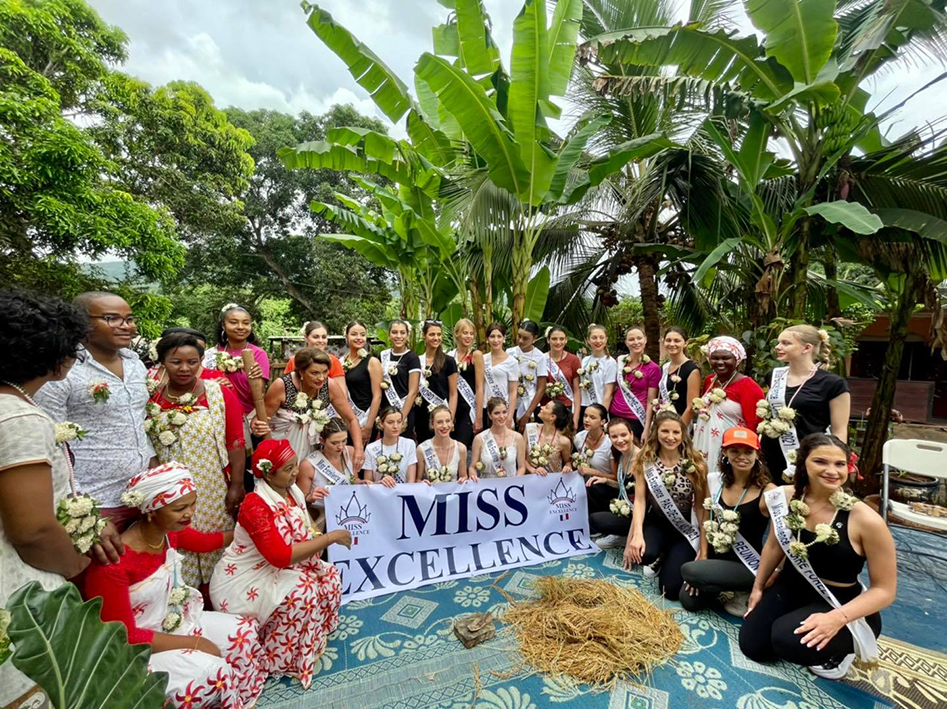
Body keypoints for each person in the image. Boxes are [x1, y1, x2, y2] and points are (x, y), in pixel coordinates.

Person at [0, 290, 116, 708]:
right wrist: (74, 565)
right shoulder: (19, 418)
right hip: (20, 594)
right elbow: (32, 530)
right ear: (59, 355)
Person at [84, 463, 267, 707]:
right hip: (140, 651)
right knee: (213, 671)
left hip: (177, 621)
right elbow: (125, 636)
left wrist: (249, 531)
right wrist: (196, 644)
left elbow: (205, 542)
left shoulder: (168, 533)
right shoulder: (113, 565)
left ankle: (241, 699)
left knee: (244, 632)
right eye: (179, 508)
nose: (189, 513)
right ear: (151, 510)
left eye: (192, 504)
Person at [740, 434, 895, 680]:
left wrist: (836, 619)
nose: (832, 471)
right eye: (821, 461)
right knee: (752, 646)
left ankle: (843, 650)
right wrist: (758, 588)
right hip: (791, 585)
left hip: (838, 600)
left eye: (839, 464)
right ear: (803, 463)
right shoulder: (786, 497)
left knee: (786, 640)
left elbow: (885, 590)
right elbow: (773, 546)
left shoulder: (866, 520)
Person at [210, 439, 349, 690]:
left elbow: (304, 527)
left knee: (328, 575)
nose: (296, 472)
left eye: (295, 465)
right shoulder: (255, 506)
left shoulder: (291, 491)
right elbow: (280, 556)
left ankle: (308, 640)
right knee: (304, 591)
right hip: (246, 577)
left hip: (278, 566)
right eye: (288, 469)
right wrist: (330, 538)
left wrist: (319, 526)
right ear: (268, 474)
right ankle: (279, 658)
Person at [35, 291, 158, 528]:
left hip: (141, 492)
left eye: (129, 319)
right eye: (112, 318)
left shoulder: (135, 363)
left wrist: (151, 462)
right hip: (94, 500)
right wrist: (81, 508)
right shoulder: (62, 371)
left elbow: (136, 419)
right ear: (81, 323)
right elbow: (49, 443)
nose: (126, 326)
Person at [146, 331, 249, 588]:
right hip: (170, 492)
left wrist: (236, 485)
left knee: (215, 545)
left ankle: (218, 596)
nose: (184, 368)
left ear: (201, 361)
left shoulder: (219, 394)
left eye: (192, 362)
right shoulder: (151, 398)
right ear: (162, 362)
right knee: (180, 544)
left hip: (212, 487)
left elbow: (235, 442)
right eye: (176, 362)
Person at [680, 427, 775, 616]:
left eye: (748, 452)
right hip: (717, 555)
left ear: (757, 454)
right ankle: (721, 581)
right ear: (724, 452)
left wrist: (773, 573)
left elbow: (779, 539)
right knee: (689, 600)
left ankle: (743, 588)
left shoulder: (768, 491)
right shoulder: (715, 481)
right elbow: (705, 518)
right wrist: (703, 555)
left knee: (691, 571)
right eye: (734, 451)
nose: (742, 457)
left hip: (747, 562)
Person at [623, 411, 709, 602]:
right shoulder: (644, 461)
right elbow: (640, 500)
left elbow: (702, 508)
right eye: (665, 431)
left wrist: (704, 551)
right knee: (644, 555)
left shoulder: (696, 465)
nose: (671, 437)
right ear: (656, 432)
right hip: (657, 522)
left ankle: (668, 554)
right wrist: (636, 536)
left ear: (683, 434)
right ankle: (659, 553)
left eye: (676, 432)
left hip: (684, 528)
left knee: (670, 590)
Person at [760, 325, 852, 483]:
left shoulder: (833, 383)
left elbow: (840, 430)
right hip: (770, 454)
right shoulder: (774, 376)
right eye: (779, 342)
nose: (778, 347)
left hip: (810, 456)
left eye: (786, 343)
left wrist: (837, 462)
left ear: (807, 348)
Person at [263, 347, 364, 469]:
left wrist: (359, 449)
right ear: (301, 372)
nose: (321, 378)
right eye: (314, 373)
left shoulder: (330, 385)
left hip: (313, 449)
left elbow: (351, 419)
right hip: (281, 447)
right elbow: (262, 421)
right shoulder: (281, 386)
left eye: (325, 372)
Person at [692, 336, 765, 475]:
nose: (720, 362)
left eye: (726, 358)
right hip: (703, 442)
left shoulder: (749, 387)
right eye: (715, 358)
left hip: (733, 448)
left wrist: (743, 453)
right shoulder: (709, 381)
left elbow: (753, 426)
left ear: (737, 360)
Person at [586, 417, 636, 550]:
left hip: (640, 512)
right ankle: (619, 530)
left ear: (631, 434)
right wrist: (606, 480)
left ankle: (626, 535)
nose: (620, 440)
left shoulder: (640, 459)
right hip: (625, 502)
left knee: (595, 519)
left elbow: (643, 501)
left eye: (624, 435)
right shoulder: (621, 454)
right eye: (614, 436)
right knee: (595, 487)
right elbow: (623, 486)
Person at [298, 418, 357, 531]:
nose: (340, 446)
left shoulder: (350, 451)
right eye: (334, 443)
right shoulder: (308, 465)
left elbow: (355, 480)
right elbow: (300, 501)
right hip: (324, 517)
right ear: (322, 440)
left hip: (349, 513)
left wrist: (364, 483)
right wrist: (311, 497)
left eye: (344, 441)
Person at [610, 326, 661, 442]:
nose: (636, 342)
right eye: (631, 339)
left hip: (636, 418)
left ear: (645, 339)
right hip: (614, 415)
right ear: (626, 342)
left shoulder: (654, 368)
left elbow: (651, 400)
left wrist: (647, 428)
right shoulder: (620, 361)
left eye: (639, 338)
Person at [146, 327, 230, 390]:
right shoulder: (147, 377)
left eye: (201, 351)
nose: (184, 369)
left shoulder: (216, 378)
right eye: (176, 362)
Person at [415, 320, 458, 443]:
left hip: (442, 416)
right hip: (422, 415)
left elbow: (453, 393)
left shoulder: (449, 361)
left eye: (439, 334)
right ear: (424, 336)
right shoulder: (417, 361)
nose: (436, 338)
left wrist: (450, 418)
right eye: (432, 334)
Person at [340, 320, 383, 445]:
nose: (359, 338)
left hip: (365, 418)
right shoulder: (341, 362)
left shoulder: (372, 362)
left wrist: (368, 426)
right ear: (347, 337)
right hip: (346, 419)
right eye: (354, 334)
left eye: (362, 334)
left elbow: (377, 396)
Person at [379, 320, 422, 439]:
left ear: (407, 336)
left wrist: (401, 418)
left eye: (402, 333)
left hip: (405, 410)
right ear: (389, 335)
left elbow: (413, 391)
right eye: (394, 332)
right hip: (386, 412)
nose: (398, 336)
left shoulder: (412, 358)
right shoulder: (383, 356)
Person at [447, 318, 484, 447]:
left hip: (469, 408)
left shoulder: (476, 355)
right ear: (457, 333)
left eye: (471, 333)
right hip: (453, 406)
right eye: (465, 333)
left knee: (461, 445)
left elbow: (480, 387)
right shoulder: (449, 356)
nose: (469, 336)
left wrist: (479, 417)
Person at [468, 398, 526, 479]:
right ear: (489, 415)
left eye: (504, 412)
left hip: (510, 483)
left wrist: (515, 481)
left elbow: (521, 467)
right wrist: (473, 476)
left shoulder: (517, 438)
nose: (502, 416)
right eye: (497, 413)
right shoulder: (479, 439)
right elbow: (472, 467)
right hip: (487, 484)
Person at [654, 327, 701, 424]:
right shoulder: (665, 367)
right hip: (663, 423)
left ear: (685, 343)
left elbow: (691, 407)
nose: (672, 344)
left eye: (677, 341)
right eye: (668, 340)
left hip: (681, 424)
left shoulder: (692, 370)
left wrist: (680, 428)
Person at [507, 320, 547, 431]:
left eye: (525, 338)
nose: (520, 341)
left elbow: (541, 388)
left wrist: (528, 413)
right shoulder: (510, 352)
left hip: (530, 404)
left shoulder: (540, 357)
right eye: (519, 336)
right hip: (511, 404)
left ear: (534, 338)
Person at [363, 407, 417, 487]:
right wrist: (380, 483)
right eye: (390, 422)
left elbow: (411, 481)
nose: (395, 426)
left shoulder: (409, 444)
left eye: (399, 422)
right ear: (381, 423)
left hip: (403, 492)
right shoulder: (370, 448)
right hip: (379, 492)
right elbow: (368, 483)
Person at [542, 325, 583, 431]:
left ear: (566, 340)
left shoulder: (574, 360)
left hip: (566, 408)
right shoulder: (541, 359)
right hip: (546, 409)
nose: (558, 342)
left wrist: (576, 418)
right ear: (548, 340)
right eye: (554, 339)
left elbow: (577, 391)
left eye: (561, 339)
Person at [283, 321, 346, 389]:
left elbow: (341, 391)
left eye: (324, 337)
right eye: (316, 337)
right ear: (306, 338)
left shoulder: (333, 361)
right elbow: (287, 387)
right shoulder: (294, 361)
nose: (321, 340)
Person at [416, 406, 467, 483]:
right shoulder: (422, 449)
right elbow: (418, 479)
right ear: (432, 424)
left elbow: (464, 476)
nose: (445, 426)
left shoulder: (461, 448)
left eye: (448, 421)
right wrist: (422, 483)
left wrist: (463, 480)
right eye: (439, 422)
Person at [578, 324, 617, 424]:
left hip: (599, 406)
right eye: (594, 338)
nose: (598, 341)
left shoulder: (610, 362)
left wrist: (601, 415)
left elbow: (608, 393)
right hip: (584, 405)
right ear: (588, 340)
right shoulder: (585, 360)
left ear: (606, 339)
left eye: (601, 337)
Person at [483, 323, 519, 428]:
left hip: (503, 410)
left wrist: (509, 416)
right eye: (492, 336)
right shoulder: (482, 359)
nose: (496, 340)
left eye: (499, 336)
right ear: (487, 339)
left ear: (504, 338)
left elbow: (513, 391)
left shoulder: (512, 362)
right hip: (486, 408)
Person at [524, 401, 574, 475]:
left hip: (553, 480)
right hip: (530, 477)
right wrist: (533, 470)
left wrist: (567, 468)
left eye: (546, 407)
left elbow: (567, 461)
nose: (541, 407)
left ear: (552, 417)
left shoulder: (563, 441)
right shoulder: (530, 429)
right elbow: (521, 458)